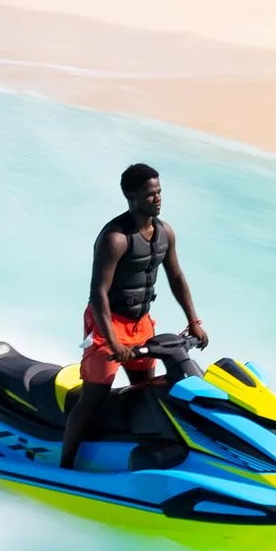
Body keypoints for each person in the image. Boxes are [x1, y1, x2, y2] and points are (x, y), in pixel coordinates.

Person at [60, 163, 208, 470]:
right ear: (131, 196)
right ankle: (65, 463)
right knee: (95, 395)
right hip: (107, 324)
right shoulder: (115, 238)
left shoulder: (165, 232)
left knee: (148, 391)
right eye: (150, 193)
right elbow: (98, 293)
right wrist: (112, 343)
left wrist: (194, 321)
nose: (157, 198)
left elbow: (176, 277)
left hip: (141, 323)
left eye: (159, 192)